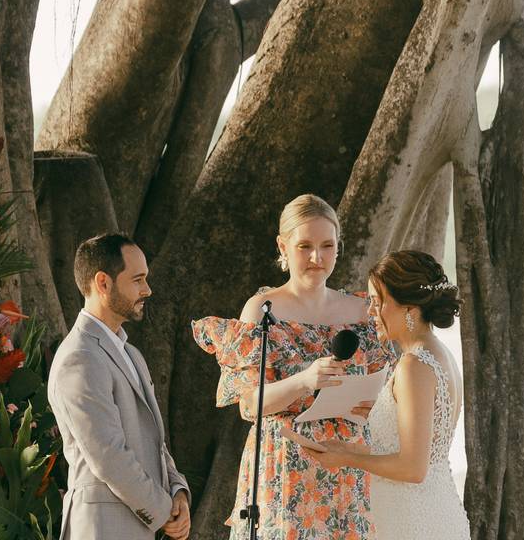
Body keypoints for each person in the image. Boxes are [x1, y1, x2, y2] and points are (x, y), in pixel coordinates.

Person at [192, 194, 393, 539]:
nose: (317, 258)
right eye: (305, 246)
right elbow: (248, 404)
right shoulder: (263, 310)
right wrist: (304, 380)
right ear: (282, 247)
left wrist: (373, 404)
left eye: (327, 245)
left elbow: (388, 391)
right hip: (285, 467)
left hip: (347, 468)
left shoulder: (362, 311)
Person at [305, 250, 470, 539]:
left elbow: (413, 468)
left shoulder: (413, 365)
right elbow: (422, 450)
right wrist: (351, 445)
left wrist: (345, 458)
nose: (370, 312)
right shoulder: (440, 355)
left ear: (408, 309)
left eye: (377, 302)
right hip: (433, 510)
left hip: (412, 522)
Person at [48, 233, 191, 540]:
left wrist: (178, 491)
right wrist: (163, 510)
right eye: (138, 279)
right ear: (103, 283)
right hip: (102, 528)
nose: (147, 289)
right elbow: (108, 455)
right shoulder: (80, 357)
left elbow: (154, 441)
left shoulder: (131, 354)